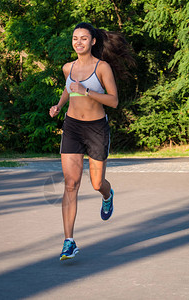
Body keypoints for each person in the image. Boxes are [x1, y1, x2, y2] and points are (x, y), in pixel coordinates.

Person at [49, 22, 135, 261]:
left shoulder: (102, 67)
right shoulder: (68, 67)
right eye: (75, 38)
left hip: (96, 128)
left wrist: (86, 91)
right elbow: (68, 89)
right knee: (71, 184)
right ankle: (69, 241)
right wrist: (59, 105)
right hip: (72, 127)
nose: (78, 42)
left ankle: (108, 195)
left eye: (83, 38)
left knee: (97, 183)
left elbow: (114, 101)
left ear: (93, 41)